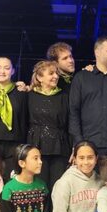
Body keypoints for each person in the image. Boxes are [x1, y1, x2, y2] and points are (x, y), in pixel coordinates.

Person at [27, 60, 71, 191]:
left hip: (60, 148)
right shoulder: (29, 96)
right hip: (36, 146)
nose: (56, 76)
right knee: (38, 186)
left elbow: (69, 123)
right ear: (39, 77)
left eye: (56, 73)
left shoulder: (64, 96)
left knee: (58, 187)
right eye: (51, 73)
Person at [0, 57, 28, 179]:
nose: (2, 71)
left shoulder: (21, 92)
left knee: (10, 180)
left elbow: (24, 120)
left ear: (13, 71)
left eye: (7, 68)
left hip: (13, 144)